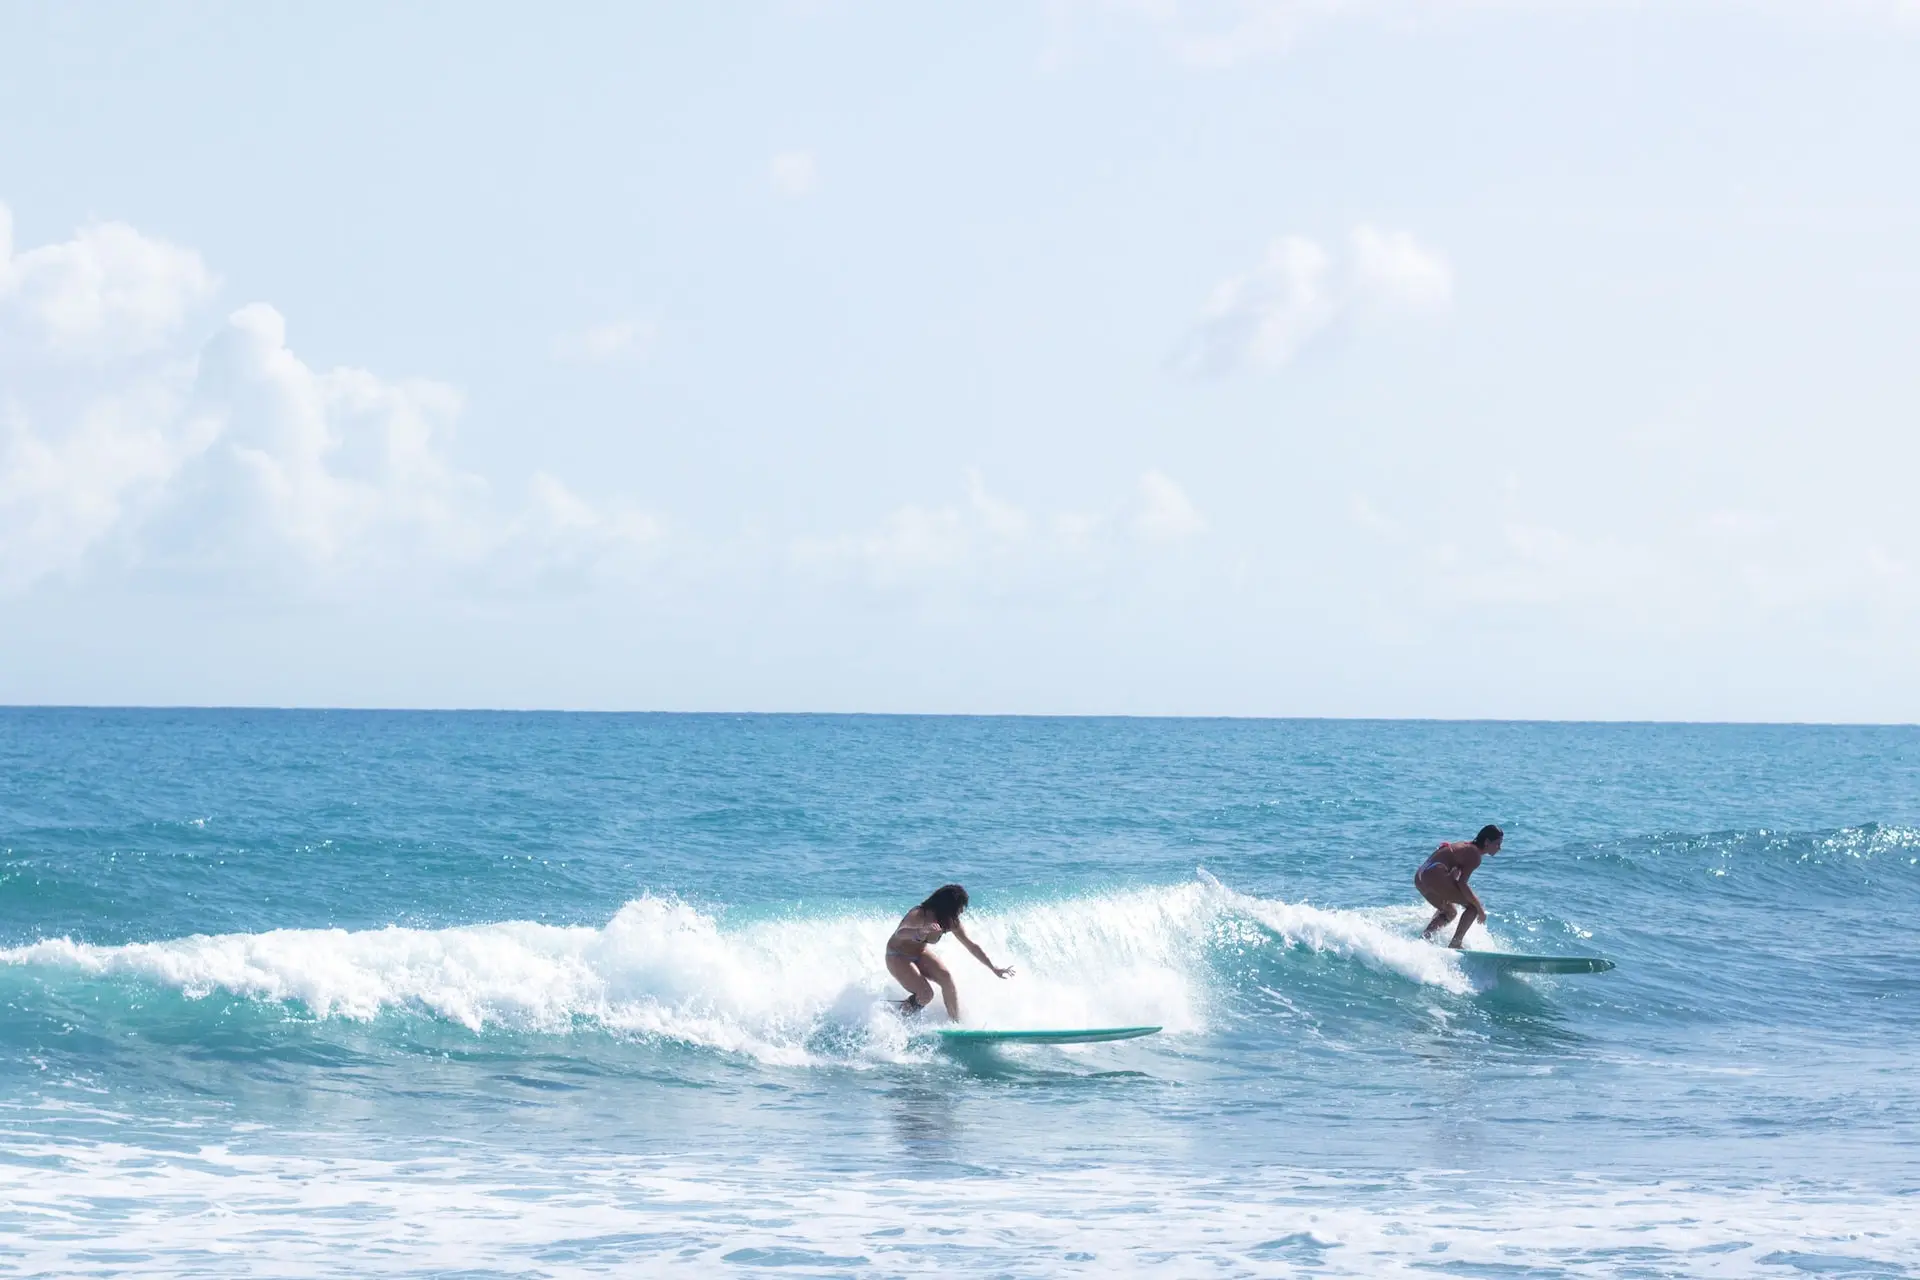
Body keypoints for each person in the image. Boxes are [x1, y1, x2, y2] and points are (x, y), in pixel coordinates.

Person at [885, 884, 1014, 1019]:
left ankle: (954, 1022)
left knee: (946, 978)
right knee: (926, 994)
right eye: (960, 907)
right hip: (897, 956)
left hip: (919, 953)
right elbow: (900, 933)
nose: (962, 911)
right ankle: (898, 1018)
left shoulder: (951, 922)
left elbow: (971, 946)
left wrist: (993, 967)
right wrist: (920, 931)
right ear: (948, 906)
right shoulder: (919, 914)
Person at [1416, 824, 1503, 948]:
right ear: (1487, 842)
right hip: (1434, 875)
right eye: (1498, 844)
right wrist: (1480, 909)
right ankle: (1455, 943)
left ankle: (1423, 941)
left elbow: (1452, 879)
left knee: (1450, 912)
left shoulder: (1464, 848)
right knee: (1472, 908)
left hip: (1420, 878)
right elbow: (1462, 884)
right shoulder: (1474, 854)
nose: (1500, 848)